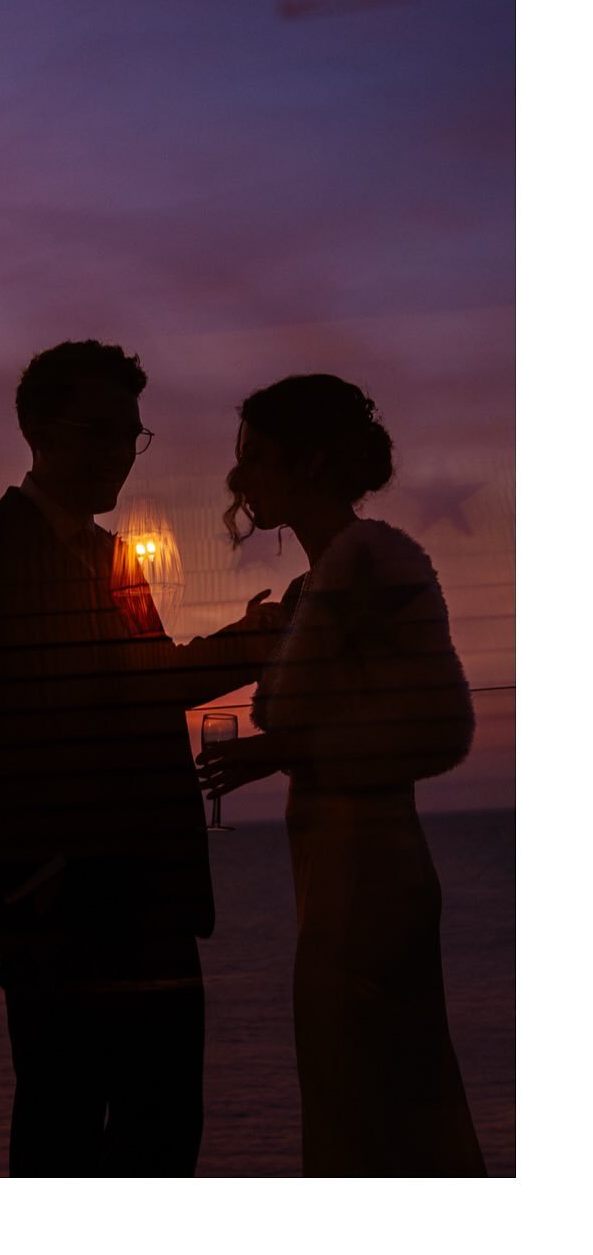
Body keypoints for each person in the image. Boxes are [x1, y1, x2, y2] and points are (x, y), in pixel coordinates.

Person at [0, 339, 283, 1177]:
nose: (121, 450)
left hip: (153, 890)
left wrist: (251, 640)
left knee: (165, 1125)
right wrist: (30, 871)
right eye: (103, 430)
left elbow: (146, 682)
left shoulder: (119, 559)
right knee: (62, 1127)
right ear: (41, 431)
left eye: (132, 434)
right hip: (59, 904)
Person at [197, 373, 487, 1177]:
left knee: (378, 1090)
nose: (239, 477)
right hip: (333, 862)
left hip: (372, 866)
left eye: (256, 456)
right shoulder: (315, 585)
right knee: (351, 1087)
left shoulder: (376, 562)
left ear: (312, 461)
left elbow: (435, 725)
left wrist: (280, 752)